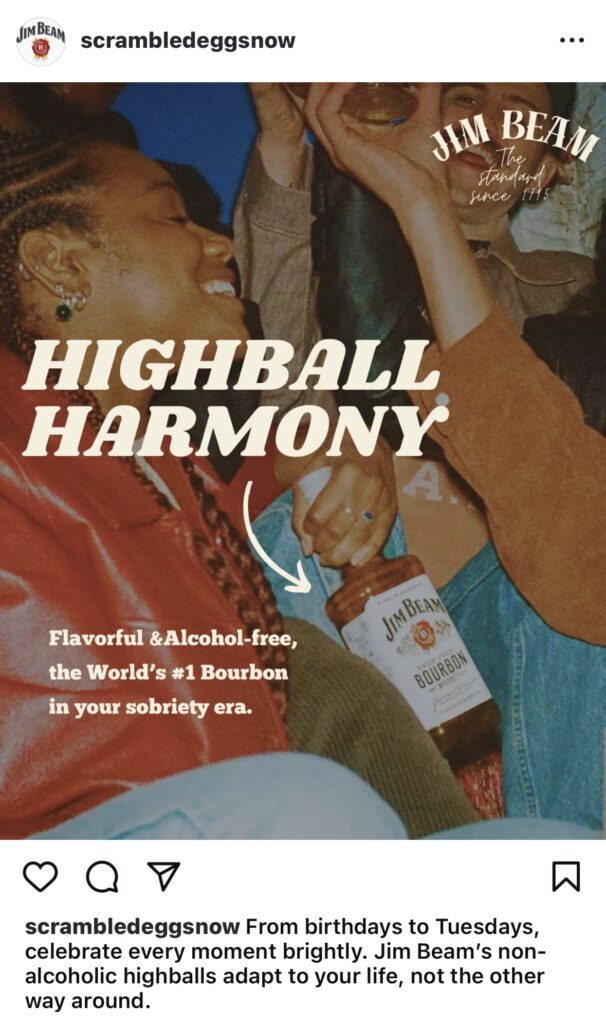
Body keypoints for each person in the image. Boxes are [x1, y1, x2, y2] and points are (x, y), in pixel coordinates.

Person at [0, 127, 481, 840]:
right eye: (173, 217)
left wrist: (336, 437)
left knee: (545, 850)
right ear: (59, 262)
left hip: (224, 822)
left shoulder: (167, 463)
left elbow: (202, 510)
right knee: (308, 798)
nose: (220, 244)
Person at [253, 86, 606, 831]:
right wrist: (287, 147)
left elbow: (561, 499)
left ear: (548, 168)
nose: (483, 122)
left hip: (523, 611)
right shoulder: (335, 255)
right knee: (302, 506)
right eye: (463, 97)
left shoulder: (574, 298)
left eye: (516, 110)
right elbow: (275, 371)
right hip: (362, 594)